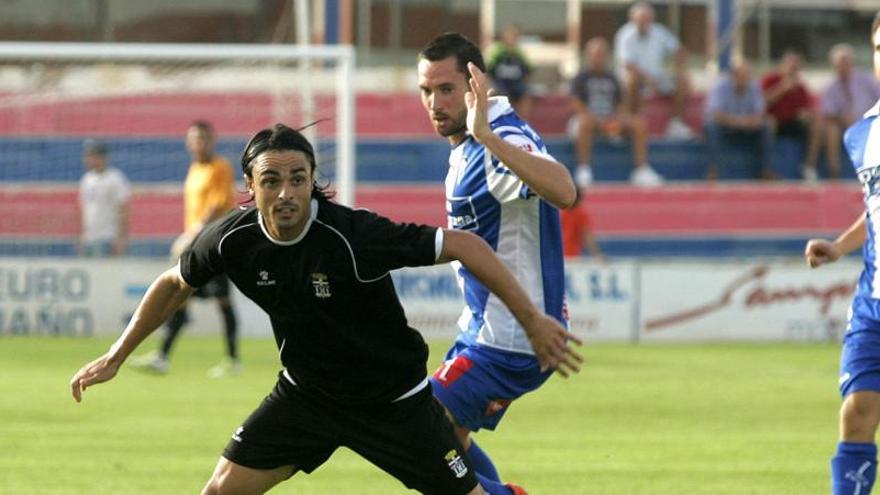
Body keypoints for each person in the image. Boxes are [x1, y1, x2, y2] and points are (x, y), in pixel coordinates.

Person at [69, 123, 582, 495]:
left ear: (313, 179)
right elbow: (172, 283)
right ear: (251, 188)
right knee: (219, 492)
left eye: (299, 178)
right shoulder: (231, 239)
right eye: (272, 181)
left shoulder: (353, 235)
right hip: (306, 399)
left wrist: (532, 319)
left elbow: (467, 245)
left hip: (394, 405)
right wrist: (116, 355)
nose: (287, 192)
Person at [418, 32, 577, 495]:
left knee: (422, 432)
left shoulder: (497, 137)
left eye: (445, 89)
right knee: (448, 441)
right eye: (426, 91)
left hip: (511, 338)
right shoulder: (466, 145)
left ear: (475, 85)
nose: (434, 102)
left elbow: (565, 191)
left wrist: (487, 135)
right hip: (485, 329)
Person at [804, 12, 880, 495]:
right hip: (875, 300)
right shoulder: (861, 134)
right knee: (856, 411)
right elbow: (875, 213)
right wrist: (837, 246)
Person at [130, 120, 239, 377]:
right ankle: (162, 356)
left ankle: (232, 360)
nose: (198, 143)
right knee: (181, 297)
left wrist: (192, 234)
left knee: (221, 301)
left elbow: (218, 204)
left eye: (202, 138)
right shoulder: (194, 169)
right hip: (195, 245)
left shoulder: (219, 167)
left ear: (211, 140)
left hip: (214, 244)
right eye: (194, 138)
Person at [570, 36, 662, 188]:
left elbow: (621, 104)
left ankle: (641, 170)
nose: (598, 58)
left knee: (638, 123)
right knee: (585, 123)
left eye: (602, 54)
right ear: (588, 55)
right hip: (586, 121)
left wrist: (617, 119)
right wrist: (598, 121)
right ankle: (584, 170)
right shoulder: (580, 77)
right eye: (595, 54)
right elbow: (577, 106)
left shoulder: (612, 77)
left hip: (609, 119)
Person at [614, 1, 693, 139]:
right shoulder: (625, 34)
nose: (643, 22)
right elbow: (628, 64)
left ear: (651, 19)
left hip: (657, 79)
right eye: (639, 19)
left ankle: (676, 124)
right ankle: (630, 123)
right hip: (636, 80)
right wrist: (648, 78)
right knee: (632, 80)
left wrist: (680, 69)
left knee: (682, 81)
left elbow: (680, 51)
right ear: (633, 19)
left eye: (645, 19)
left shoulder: (659, 32)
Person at [703, 58, 773, 180]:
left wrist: (746, 122)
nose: (746, 79)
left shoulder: (754, 86)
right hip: (726, 126)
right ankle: (713, 170)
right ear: (734, 75)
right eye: (743, 76)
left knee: (767, 126)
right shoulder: (720, 87)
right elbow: (715, 114)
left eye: (748, 76)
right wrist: (737, 121)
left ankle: (765, 170)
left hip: (747, 126)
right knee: (711, 127)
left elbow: (760, 113)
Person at [821, 43, 880, 180]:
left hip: (871, 121)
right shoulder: (831, 87)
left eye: (846, 62)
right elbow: (829, 113)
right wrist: (844, 118)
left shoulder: (867, 81)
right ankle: (834, 172)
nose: (843, 66)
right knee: (831, 129)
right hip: (846, 126)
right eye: (839, 63)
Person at [760, 50, 822, 181]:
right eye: (791, 67)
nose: (793, 71)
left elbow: (808, 109)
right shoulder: (770, 80)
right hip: (773, 122)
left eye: (796, 68)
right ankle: (767, 168)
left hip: (792, 122)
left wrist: (806, 115)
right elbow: (762, 102)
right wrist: (782, 88)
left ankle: (808, 167)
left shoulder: (801, 87)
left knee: (817, 127)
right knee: (770, 123)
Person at [77, 139, 131, 257]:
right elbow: (84, 211)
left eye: (90, 156)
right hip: (89, 239)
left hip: (108, 238)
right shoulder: (86, 180)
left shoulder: (115, 179)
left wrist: (121, 239)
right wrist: (82, 236)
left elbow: (123, 210)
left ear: (101, 157)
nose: (87, 159)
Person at [486, 24, 532, 120]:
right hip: (500, 82)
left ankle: (523, 122)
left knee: (525, 96)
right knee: (503, 95)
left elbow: (527, 69)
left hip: (516, 82)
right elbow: (488, 68)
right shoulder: (497, 50)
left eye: (516, 36)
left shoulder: (519, 52)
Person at [561, 188, 606, 262]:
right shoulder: (580, 213)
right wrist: (597, 255)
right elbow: (587, 236)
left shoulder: (563, 212)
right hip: (572, 255)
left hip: (560, 253)